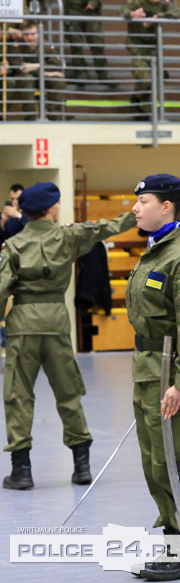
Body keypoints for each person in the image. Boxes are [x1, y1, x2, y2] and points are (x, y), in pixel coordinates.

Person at [0, 183, 136, 491]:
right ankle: (82, 466)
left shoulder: (14, 245)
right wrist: (135, 214)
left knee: (18, 396)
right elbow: (106, 228)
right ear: (50, 209)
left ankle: (21, 471)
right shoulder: (68, 236)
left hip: (22, 327)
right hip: (58, 325)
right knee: (68, 394)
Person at [125, 174, 180, 580]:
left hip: (173, 371)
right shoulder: (154, 252)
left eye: (143, 201)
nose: (135, 207)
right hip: (148, 369)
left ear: (167, 207)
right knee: (155, 464)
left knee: (178, 463)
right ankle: (170, 539)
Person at [120, 0, 180, 120]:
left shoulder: (163, 3)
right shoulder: (137, 1)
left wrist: (155, 18)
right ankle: (137, 100)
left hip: (154, 47)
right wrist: (134, 15)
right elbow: (122, 11)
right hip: (137, 45)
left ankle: (144, 109)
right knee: (146, 79)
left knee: (159, 77)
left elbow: (176, 13)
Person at [2, 21, 65, 120]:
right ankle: (30, 118)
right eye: (26, 34)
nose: (30, 37)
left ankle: (52, 117)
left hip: (42, 78)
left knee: (58, 80)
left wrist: (36, 66)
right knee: (27, 78)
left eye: (33, 34)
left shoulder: (45, 44)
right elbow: (20, 67)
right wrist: (46, 72)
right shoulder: (17, 45)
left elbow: (55, 64)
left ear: (38, 34)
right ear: (22, 35)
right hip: (23, 79)